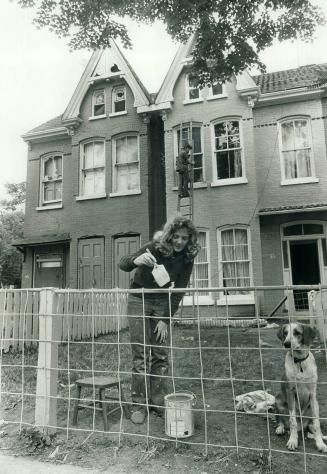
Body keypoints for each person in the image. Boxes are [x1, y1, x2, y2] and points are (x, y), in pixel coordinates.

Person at [119, 216, 200, 424]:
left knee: (160, 355)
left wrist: (165, 319)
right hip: (139, 300)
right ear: (170, 235)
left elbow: (179, 291)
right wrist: (137, 260)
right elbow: (123, 264)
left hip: (163, 304)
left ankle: (158, 403)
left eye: (185, 238)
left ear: (190, 240)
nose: (180, 242)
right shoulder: (154, 248)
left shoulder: (187, 257)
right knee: (140, 354)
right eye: (177, 237)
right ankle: (139, 404)